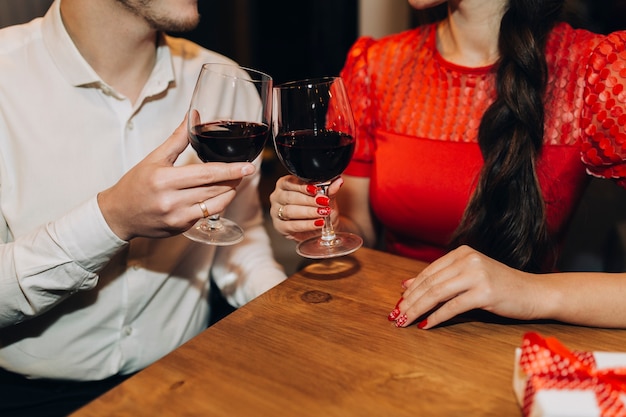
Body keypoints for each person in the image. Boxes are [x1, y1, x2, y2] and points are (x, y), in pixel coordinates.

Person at [0, 0, 285, 415]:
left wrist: (288, 310)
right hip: (30, 399)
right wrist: (111, 219)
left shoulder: (228, 82)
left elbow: (239, 237)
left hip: (185, 381)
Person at [269, 0, 626, 327]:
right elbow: (361, 227)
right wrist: (321, 220)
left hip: (517, 340)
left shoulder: (596, 71)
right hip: (390, 323)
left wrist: (531, 292)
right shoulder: (378, 65)